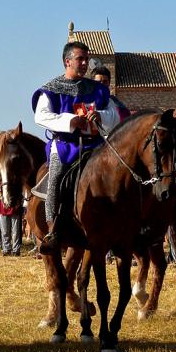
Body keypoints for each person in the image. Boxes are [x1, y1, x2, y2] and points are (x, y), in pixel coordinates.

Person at [32, 41, 119, 254]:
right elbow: (41, 116)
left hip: (96, 145)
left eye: (86, 59)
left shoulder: (98, 89)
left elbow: (115, 116)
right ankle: (52, 229)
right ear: (67, 61)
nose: (85, 63)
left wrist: (100, 115)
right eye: (80, 59)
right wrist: (70, 121)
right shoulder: (51, 89)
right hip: (65, 145)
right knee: (56, 177)